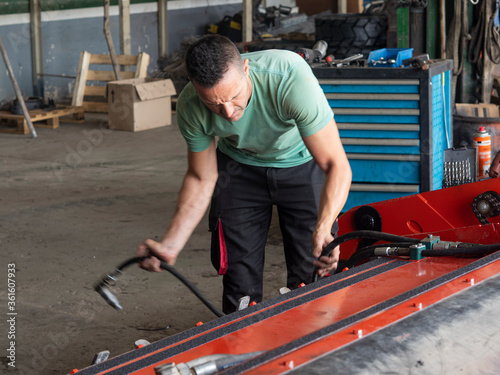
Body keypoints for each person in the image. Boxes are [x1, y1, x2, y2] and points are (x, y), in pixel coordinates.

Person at [138, 35, 352, 314]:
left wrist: (324, 225)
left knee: (313, 272)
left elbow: (337, 165)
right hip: (239, 169)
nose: (226, 112)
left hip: (300, 164)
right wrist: (170, 244)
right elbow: (201, 178)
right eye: (213, 103)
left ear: (247, 69)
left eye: (233, 97)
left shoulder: (288, 76)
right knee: (239, 279)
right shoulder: (190, 104)